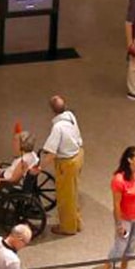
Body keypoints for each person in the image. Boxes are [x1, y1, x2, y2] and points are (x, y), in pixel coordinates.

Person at [97, 146, 135, 269]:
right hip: (125, 218)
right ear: (129, 159)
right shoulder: (118, 180)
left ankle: (124, 268)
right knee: (119, 248)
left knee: (132, 245)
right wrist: (119, 225)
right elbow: (116, 204)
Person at [42, 95, 84, 235]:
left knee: (65, 196)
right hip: (78, 155)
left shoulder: (58, 127)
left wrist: (39, 167)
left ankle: (67, 227)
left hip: (67, 163)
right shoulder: (70, 116)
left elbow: (52, 153)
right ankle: (76, 221)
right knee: (73, 191)